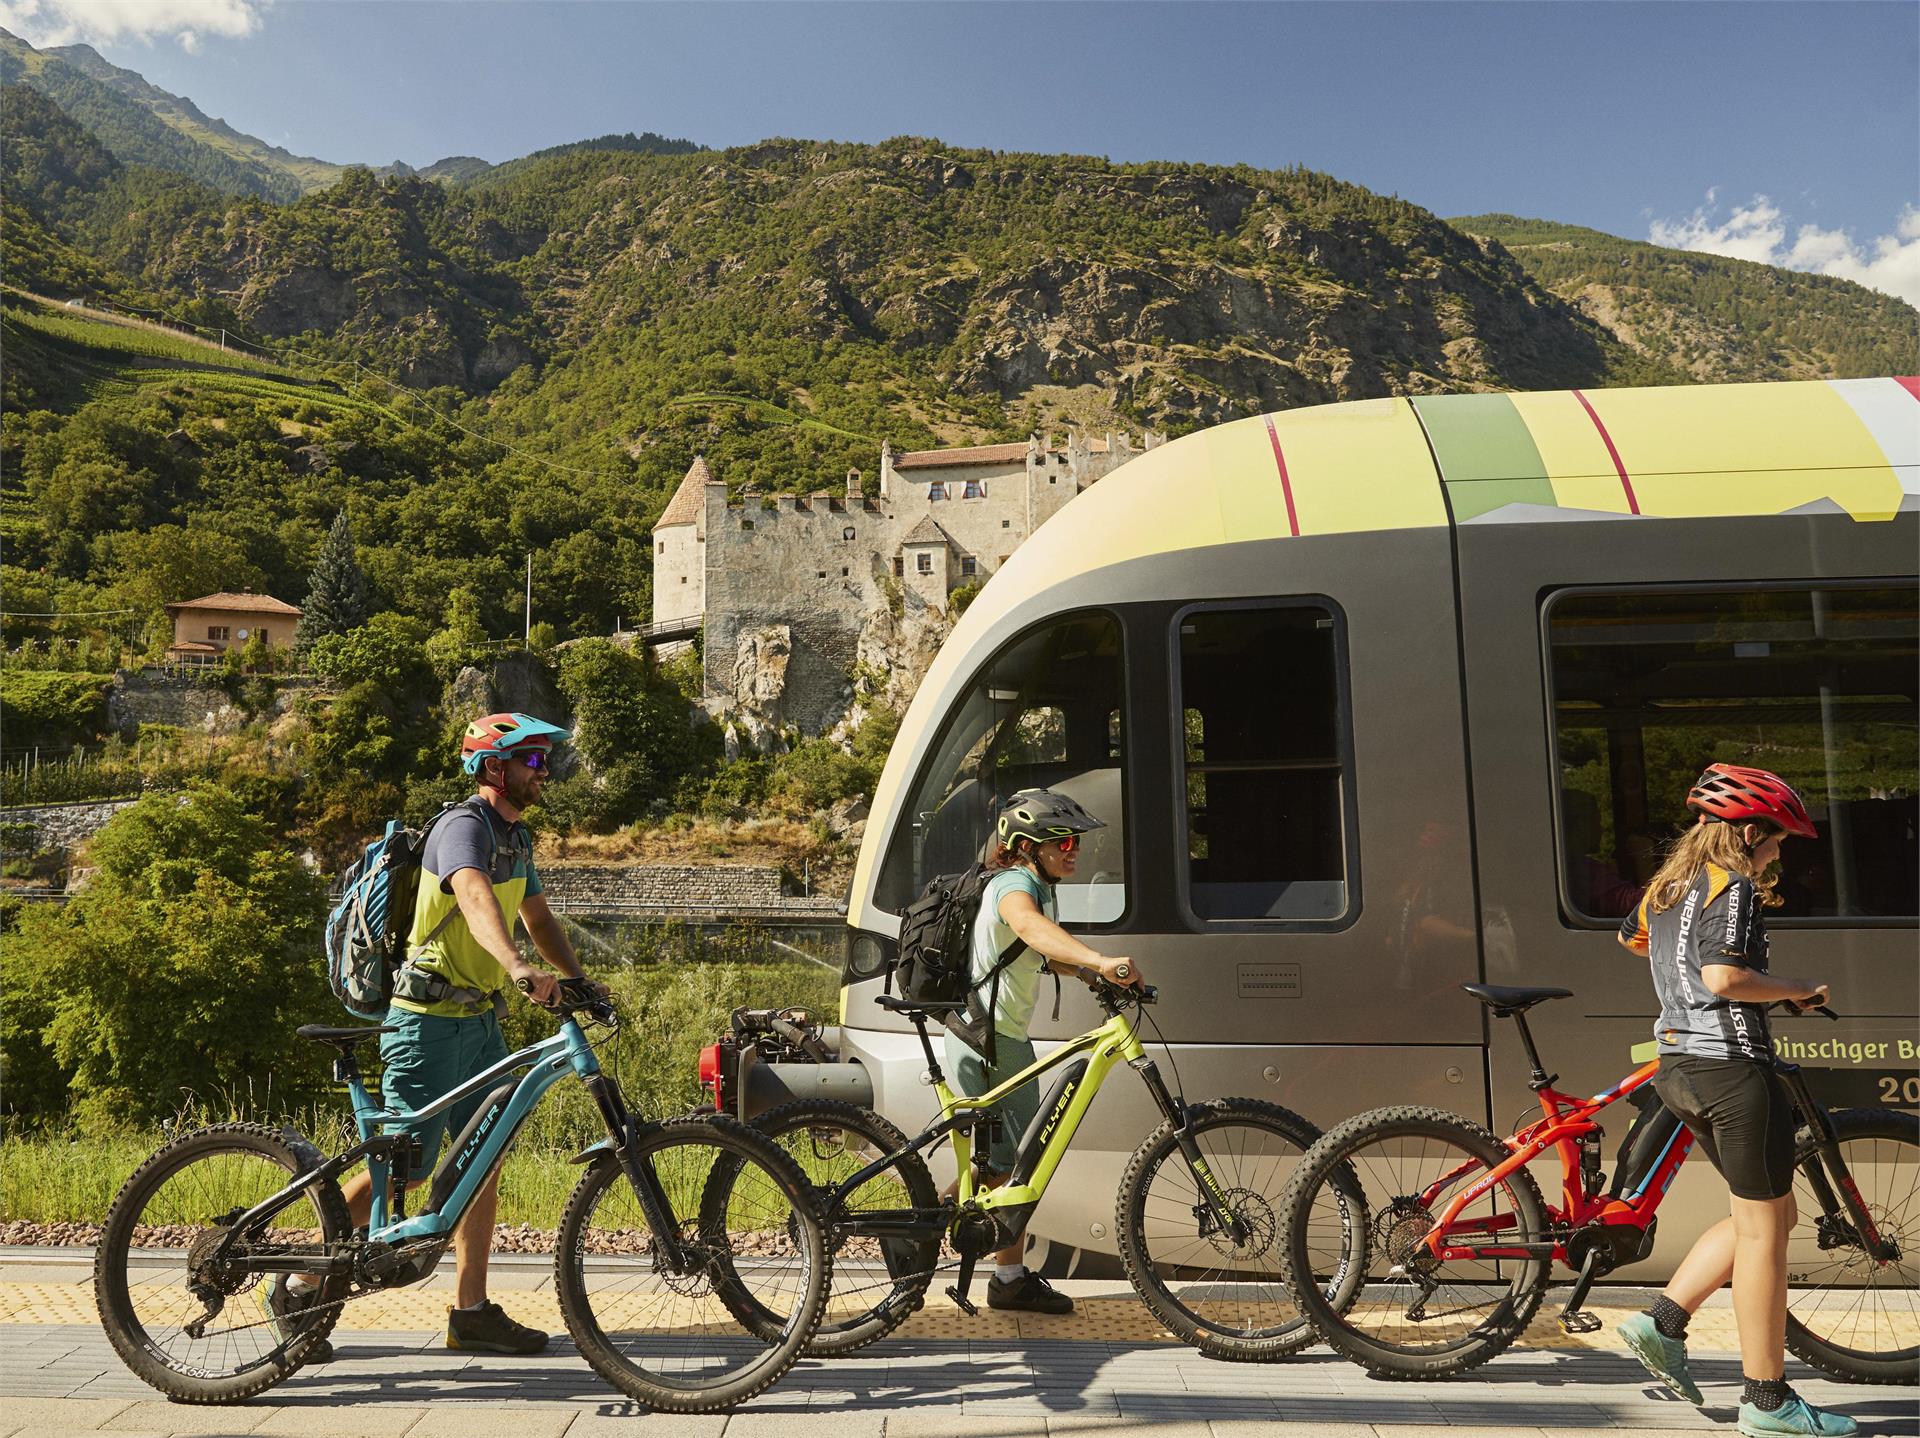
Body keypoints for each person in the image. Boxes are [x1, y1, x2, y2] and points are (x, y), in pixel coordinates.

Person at [266, 712, 589, 1360]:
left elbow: (538, 916)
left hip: (479, 1022)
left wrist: (579, 979)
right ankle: (298, 1282)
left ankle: (470, 1312)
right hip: (425, 1022)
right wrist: (517, 966)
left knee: (483, 1159)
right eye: (531, 760)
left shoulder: (517, 840)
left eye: (543, 761)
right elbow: (474, 900)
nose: (542, 772)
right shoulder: (461, 828)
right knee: (404, 1167)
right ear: (494, 768)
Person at [1614, 764, 1854, 1438]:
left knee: (1773, 1212)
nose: (1779, 853)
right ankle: (1768, 1402)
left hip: (1678, 1069)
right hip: (1730, 1069)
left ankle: (1662, 1324)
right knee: (1765, 1232)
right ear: (1749, 833)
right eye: (1776, 840)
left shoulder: (1668, 888)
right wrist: (1796, 986)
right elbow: (1724, 978)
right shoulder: (1734, 886)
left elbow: (1633, 940)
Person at [942, 788, 1140, 1314]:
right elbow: (1028, 927)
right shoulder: (1014, 883)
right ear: (1028, 845)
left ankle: (954, 1242)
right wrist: (1099, 960)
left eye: (1074, 840)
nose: (1075, 850)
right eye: (1065, 841)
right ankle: (1000, 1274)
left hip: (999, 1037)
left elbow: (1029, 949)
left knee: (1002, 1164)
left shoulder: (1038, 885)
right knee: (1016, 1164)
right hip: (985, 1040)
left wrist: (1081, 972)